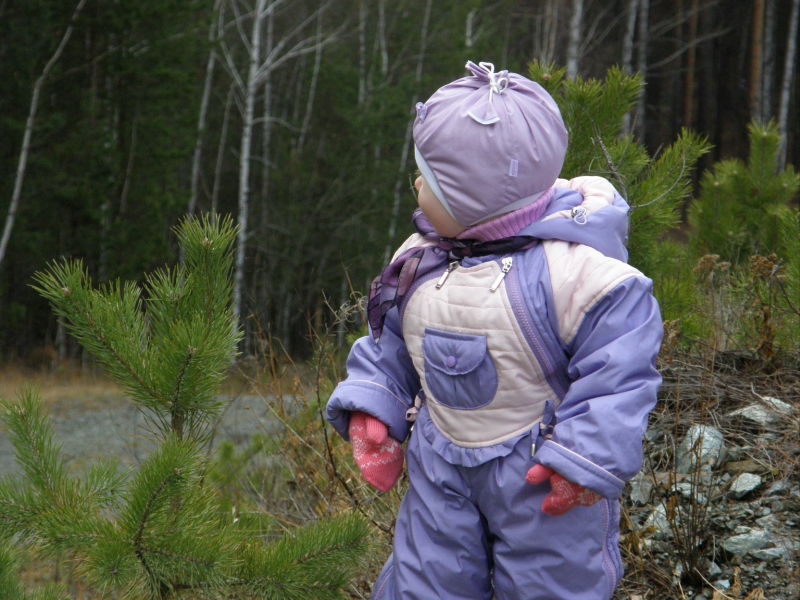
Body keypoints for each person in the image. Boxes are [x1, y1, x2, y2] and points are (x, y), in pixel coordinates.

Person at [326, 61, 663, 600]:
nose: (417, 185)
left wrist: (583, 458)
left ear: (475, 200)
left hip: (541, 473)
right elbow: (391, 341)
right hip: (440, 464)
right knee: (426, 578)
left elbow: (619, 373)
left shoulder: (575, 274)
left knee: (550, 582)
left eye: (430, 180)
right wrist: (375, 406)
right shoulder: (420, 257)